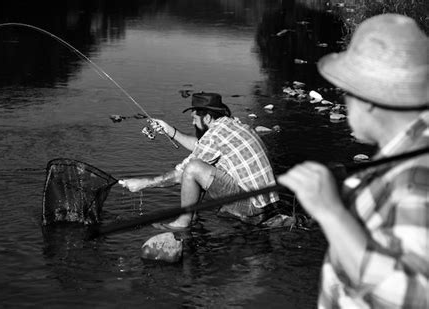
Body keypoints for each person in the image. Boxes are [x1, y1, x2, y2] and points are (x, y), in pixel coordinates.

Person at [278, 14, 428, 308]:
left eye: (347, 90)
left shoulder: (416, 178)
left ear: (369, 97)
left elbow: (415, 296)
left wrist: (331, 211)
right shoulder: (411, 150)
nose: (344, 100)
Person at [121, 92, 279, 229]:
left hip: (253, 207)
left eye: (195, 118)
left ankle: (183, 223)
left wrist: (145, 183)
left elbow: (181, 174)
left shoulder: (215, 135)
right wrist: (170, 131)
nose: (192, 123)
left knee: (193, 168)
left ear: (208, 118)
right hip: (267, 202)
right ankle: (193, 215)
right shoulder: (232, 125)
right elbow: (200, 147)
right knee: (204, 162)